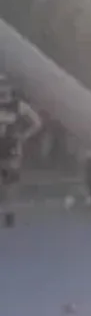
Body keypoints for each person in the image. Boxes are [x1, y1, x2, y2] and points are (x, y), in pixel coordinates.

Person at [0, 79, 43, 228]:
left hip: (11, 147)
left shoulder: (18, 105)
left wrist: (24, 136)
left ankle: (9, 213)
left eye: (5, 84)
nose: (2, 88)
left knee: (9, 183)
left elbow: (37, 122)